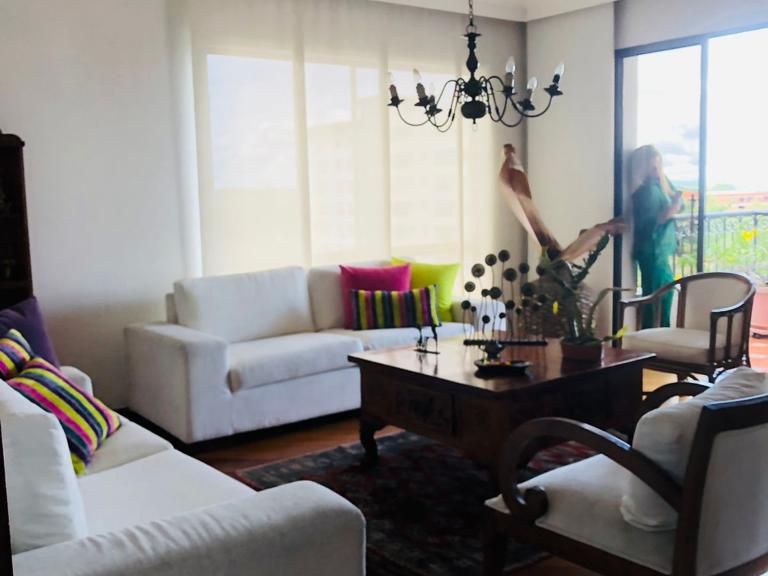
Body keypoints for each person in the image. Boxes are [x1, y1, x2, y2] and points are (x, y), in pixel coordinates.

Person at [628, 145, 683, 328]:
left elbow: (678, 202)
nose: (656, 170)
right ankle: (655, 336)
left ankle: (657, 334)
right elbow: (654, 220)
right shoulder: (645, 192)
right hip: (652, 250)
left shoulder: (661, 183)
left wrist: (675, 203)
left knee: (661, 295)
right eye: (652, 167)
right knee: (658, 297)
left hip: (659, 250)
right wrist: (672, 208)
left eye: (658, 166)